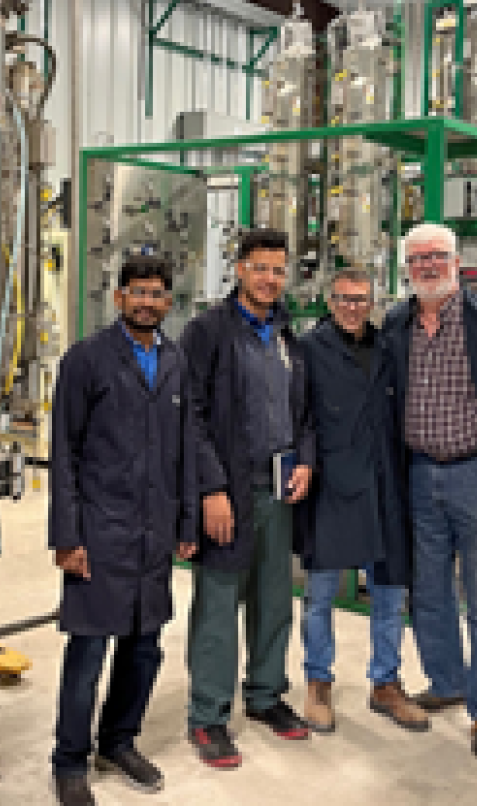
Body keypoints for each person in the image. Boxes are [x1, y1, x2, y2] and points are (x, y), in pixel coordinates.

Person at [48, 254, 199, 806]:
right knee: (88, 652)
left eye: (157, 294)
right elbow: (63, 452)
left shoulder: (176, 361)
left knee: (143, 647)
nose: (147, 302)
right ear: (118, 298)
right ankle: (70, 760)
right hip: (100, 530)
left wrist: (185, 522)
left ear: (167, 302)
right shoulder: (86, 360)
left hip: (154, 531)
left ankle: (119, 741)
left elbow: (185, 448)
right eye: (137, 292)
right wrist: (68, 536)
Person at [382, 222, 477, 760]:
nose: (427, 266)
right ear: (406, 267)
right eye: (417, 258)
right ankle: (447, 680)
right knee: (429, 593)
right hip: (421, 473)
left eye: (437, 257)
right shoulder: (397, 323)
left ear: (457, 261)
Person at [182, 227, 315, 769]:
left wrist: (304, 458)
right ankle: (208, 715)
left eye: (278, 270)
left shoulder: (287, 333)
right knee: (217, 606)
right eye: (260, 267)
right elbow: (189, 414)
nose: (269, 279)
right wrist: (211, 488)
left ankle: (265, 695)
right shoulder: (209, 331)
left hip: (278, 489)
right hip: (228, 492)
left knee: (273, 599)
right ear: (239, 269)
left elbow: (303, 410)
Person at [298, 266, 427, 735]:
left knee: (390, 592)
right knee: (320, 595)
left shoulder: (391, 348)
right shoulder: (310, 349)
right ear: (329, 302)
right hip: (332, 482)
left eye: (361, 300)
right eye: (344, 299)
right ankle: (317, 681)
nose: (353, 308)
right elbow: (302, 418)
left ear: (373, 302)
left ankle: (386, 683)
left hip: (386, 481)